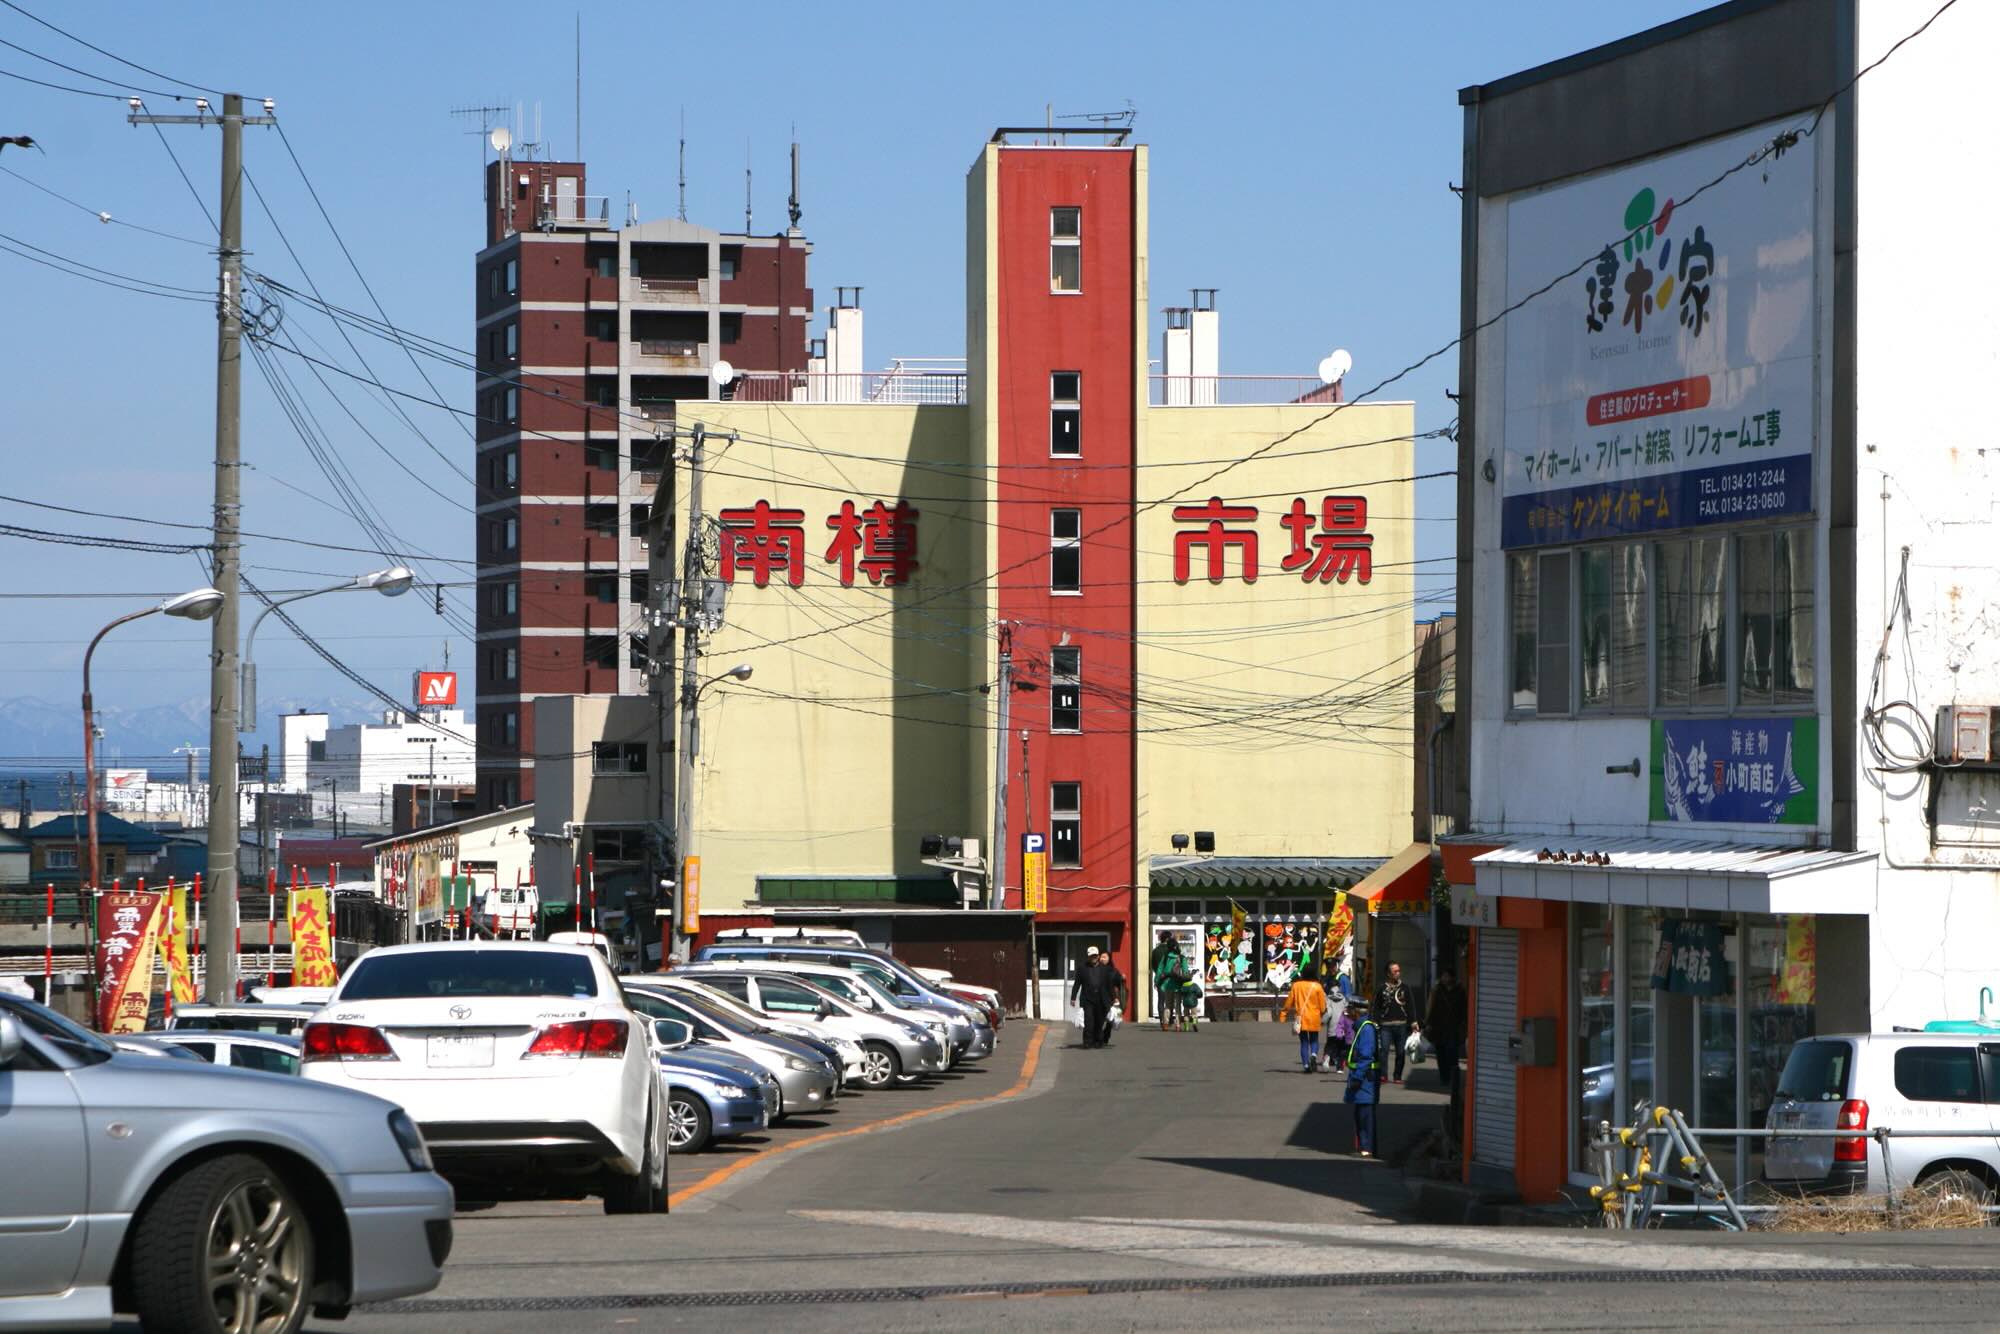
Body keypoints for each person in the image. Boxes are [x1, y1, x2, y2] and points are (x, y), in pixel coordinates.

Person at [1344, 1002, 1383, 1157]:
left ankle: (1367, 1149)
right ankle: (1365, 1147)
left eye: (1350, 1010)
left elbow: (1366, 1057)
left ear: (1357, 1012)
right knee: (1361, 1113)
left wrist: (1356, 1077)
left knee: (1365, 1115)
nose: (1348, 1013)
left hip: (1366, 1078)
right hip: (1365, 1078)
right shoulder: (1363, 1027)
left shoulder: (1366, 1029)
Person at [1424, 965, 1468, 1096]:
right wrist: (1427, 1023)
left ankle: (1454, 1078)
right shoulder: (1437, 990)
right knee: (1441, 1053)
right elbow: (1430, 1006)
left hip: (1453, 1027)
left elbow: (1464, 1009)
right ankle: (1444, 1077)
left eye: (1447, 976)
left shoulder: (1460, 991)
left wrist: (1464, 1025)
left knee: (1452, 1053)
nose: (1444, 978)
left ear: (1452, 977)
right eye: (1443, 976)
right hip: (1438, 1027)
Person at [1279, 964, 1328, 1073]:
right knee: (1314, 1039)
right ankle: (1314, 1055)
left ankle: (1306, 1065)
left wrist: (1283, 1014)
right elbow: (1323, 1006)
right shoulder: (1318, 986)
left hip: (1301, 1018)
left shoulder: (1296, 985)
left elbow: (1289, 1002)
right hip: (1314, 1017)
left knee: (1304, 1042)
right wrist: (1322, 1014)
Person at [1373, 961, 1415, 1084]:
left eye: (1399, 971)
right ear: (1388, 974)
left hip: (1401, 1024)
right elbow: (1376, 1006)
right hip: (1385, 1025)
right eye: (1395, 971)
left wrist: (1413, 1022)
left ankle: (1397, 1076)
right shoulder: (1381, 988)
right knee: (1383, 1050)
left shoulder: (1405, 988)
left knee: (1401, 1052)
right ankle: (1383, 1075)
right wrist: (1374, 1021)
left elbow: (1410, 1006)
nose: (1398, 973)